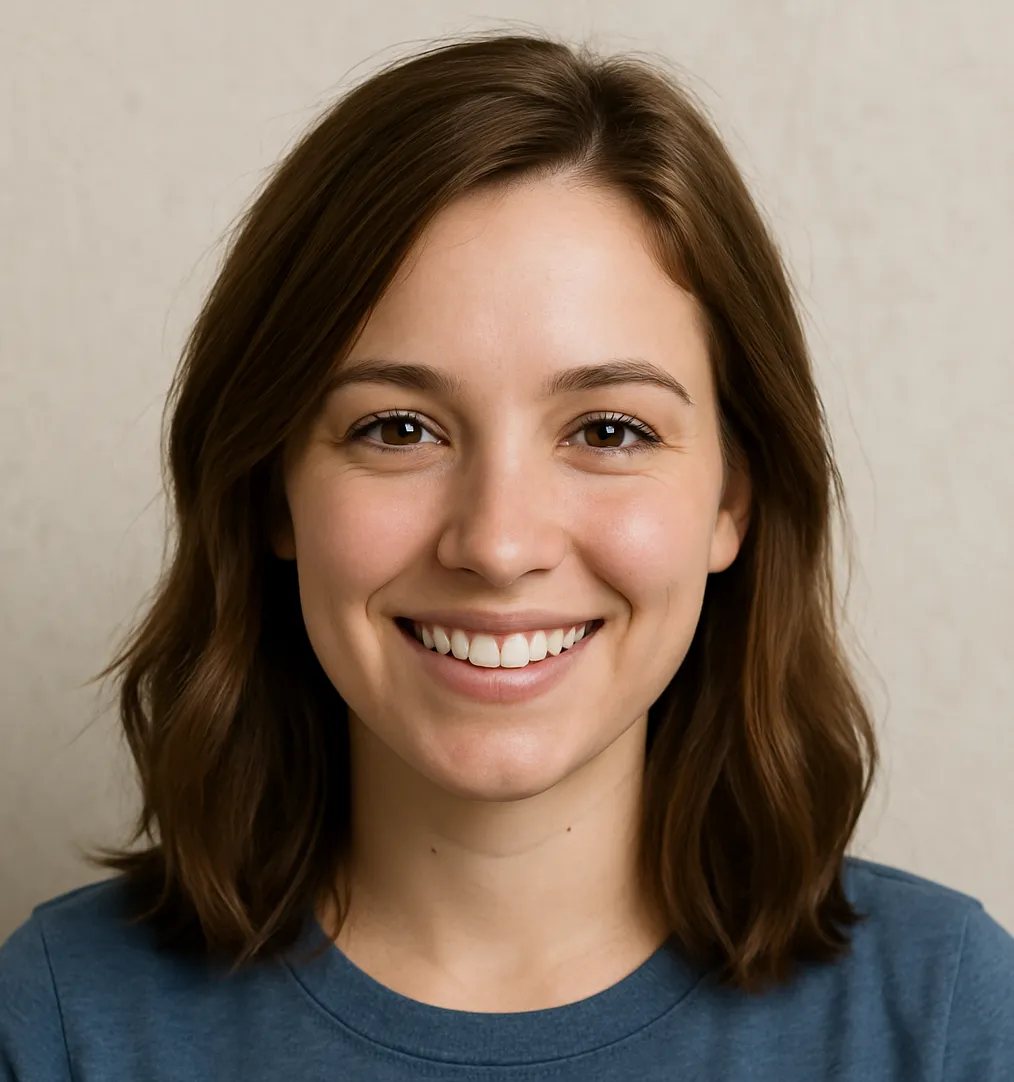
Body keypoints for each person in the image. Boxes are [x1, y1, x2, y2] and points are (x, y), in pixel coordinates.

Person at [1, 28, 1011, 1082]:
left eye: (609, 430)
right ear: (271, 490)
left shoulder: (943, 1020)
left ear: (734, 498)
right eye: (398, 428)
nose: (498, 541)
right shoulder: (61, 1024)